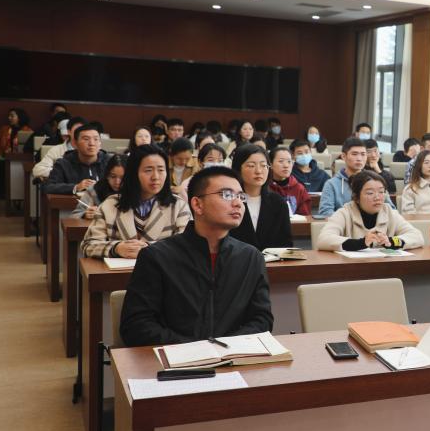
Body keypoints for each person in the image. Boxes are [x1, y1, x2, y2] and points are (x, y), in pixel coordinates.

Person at [118, 166, 273, 347]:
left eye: (240, 196)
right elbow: (136, 326)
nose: (238, 203)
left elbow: (262, 320)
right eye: (227, 195)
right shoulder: (157, 257)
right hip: (177, 358)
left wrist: (226, 346)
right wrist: (197, 348)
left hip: (234, 356)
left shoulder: (251, 257)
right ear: (197, 204)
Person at [81, 144, 191, 258]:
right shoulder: (110, 204)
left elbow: (187, 246)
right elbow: (88, 245)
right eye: (148, 170)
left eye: (161, 170)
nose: (156, 177)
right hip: (119, 270)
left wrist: (149, 248)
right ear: (133, 173)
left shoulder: (179, 206)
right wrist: (116, 248)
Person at [316, 170, 423, 251]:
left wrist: (391, 241)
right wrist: (361, 243)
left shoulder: (389, 212)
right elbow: (323, 239)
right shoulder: (344, 213)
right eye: (370, 193)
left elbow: (417, 236)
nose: (377, 197)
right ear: (356, 197)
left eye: (381, 192)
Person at [228, 143, 292, 250]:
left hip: (272, 260)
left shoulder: (278, 203)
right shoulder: (229, 201)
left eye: (263, 165)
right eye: (251, 166)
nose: (258, 171)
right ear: (238, 169)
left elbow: (286, 244)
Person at [43, 124, 111, 195]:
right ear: (75, 143)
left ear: (100, 143)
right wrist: (76, 187)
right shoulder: (63, 163)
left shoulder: (109, 162)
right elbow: (48, 187)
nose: (92, 143)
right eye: (86, 139)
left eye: (96, 139)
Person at [318, 137, 368, 217]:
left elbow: (388, 208)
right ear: (344, 156)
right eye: (354, 154)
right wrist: (351, 220)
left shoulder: (373, 181)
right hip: (343, 224)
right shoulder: (331, 184)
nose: (359, 158)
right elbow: (325, 212)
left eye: (363, 154)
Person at [72, 154, 124, 219]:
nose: (117, 182)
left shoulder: (134, 193)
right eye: (113, 176)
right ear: (107, 175)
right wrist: (84, 214)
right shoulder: (95, 190)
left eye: (122, 178)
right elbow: (74, 216)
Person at [0, 108, 32, 194]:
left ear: (19, 117)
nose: (9, 118)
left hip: (18, 160)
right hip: (3, 158)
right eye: (9, 116)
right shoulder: (4, 129)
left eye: (12, 116)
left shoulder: (27, 131)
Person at [398, 149, 430, 213]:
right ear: (419, 166)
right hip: (418, 220)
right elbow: (408, 214)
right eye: (426, 162)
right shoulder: (410, 189)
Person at [269, 146, 311, 217]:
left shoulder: (299, 189)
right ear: (271, 164)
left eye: (289, 162)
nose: (286, 165)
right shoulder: (264, 187)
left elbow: (305, 216)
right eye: (281, 161)